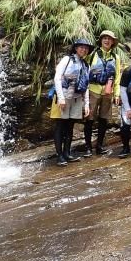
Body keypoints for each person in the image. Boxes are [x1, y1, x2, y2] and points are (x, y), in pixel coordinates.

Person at [51, 38, 93, 166]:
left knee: (70, 126)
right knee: (60, 126)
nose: (83, 49)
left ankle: (67, 153)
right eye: (81, 47)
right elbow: (57, 78)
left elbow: (86, 85)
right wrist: (61, 98)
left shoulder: (86, 65)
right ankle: (59, 156)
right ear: (76, 48)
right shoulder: (67, 60)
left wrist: (86, 104)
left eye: (86, 48)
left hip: (76, 98)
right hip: (63, 97)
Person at [82, 30, 122, 156]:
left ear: (113, 42)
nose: (107, 40)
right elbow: (83, 69)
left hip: (107, 92)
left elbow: (117, 77)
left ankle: (99, 146)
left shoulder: (116, 57)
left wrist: (116, 94)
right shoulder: (92, 54)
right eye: (105, 38)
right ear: (101, 40)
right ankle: (88, 147)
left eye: (109, 39)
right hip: (93, 90)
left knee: (104, 119)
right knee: (89, 119)